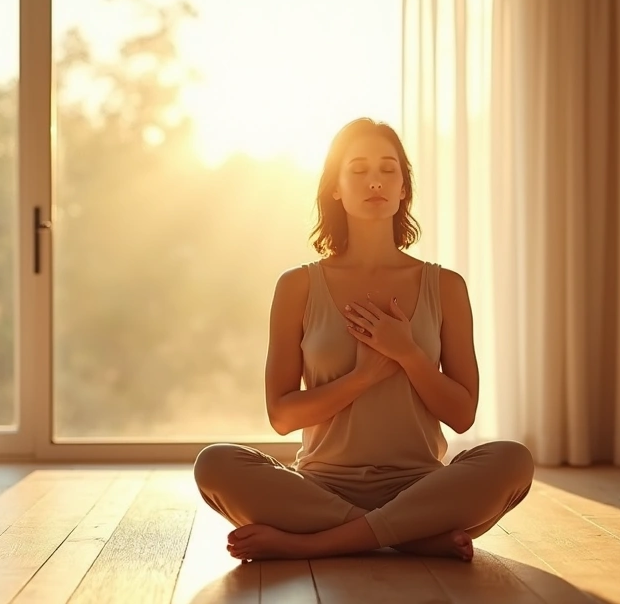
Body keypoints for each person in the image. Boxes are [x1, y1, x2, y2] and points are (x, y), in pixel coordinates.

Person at [193, 117, 535, 563]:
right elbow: (281, 415)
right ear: (335, 186)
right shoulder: (298, 286)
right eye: (358, 169)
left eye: (388, 169)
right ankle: (408, 536)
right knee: (215, 464)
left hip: (420, 485)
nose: (375, 180)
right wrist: (363, 377)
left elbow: (462, 414)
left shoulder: (445, 286)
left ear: (403, 188)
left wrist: (407, 354)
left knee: (513, 461)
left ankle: (319, 543)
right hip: (322, 487)